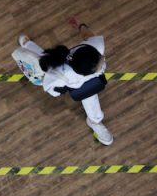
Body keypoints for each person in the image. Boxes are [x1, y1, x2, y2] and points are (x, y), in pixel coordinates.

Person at [18, 17, 113, 145]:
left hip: (75, 78)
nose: (103, 60)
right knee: (45, 62)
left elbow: (87, 34)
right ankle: (27, 45)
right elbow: (52, 90)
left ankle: (95, 122)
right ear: (86, 73)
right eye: (99, 65)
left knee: (50, 58)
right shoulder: (60, 74)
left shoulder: (96, 47)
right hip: (76, 84)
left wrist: (80, 25)